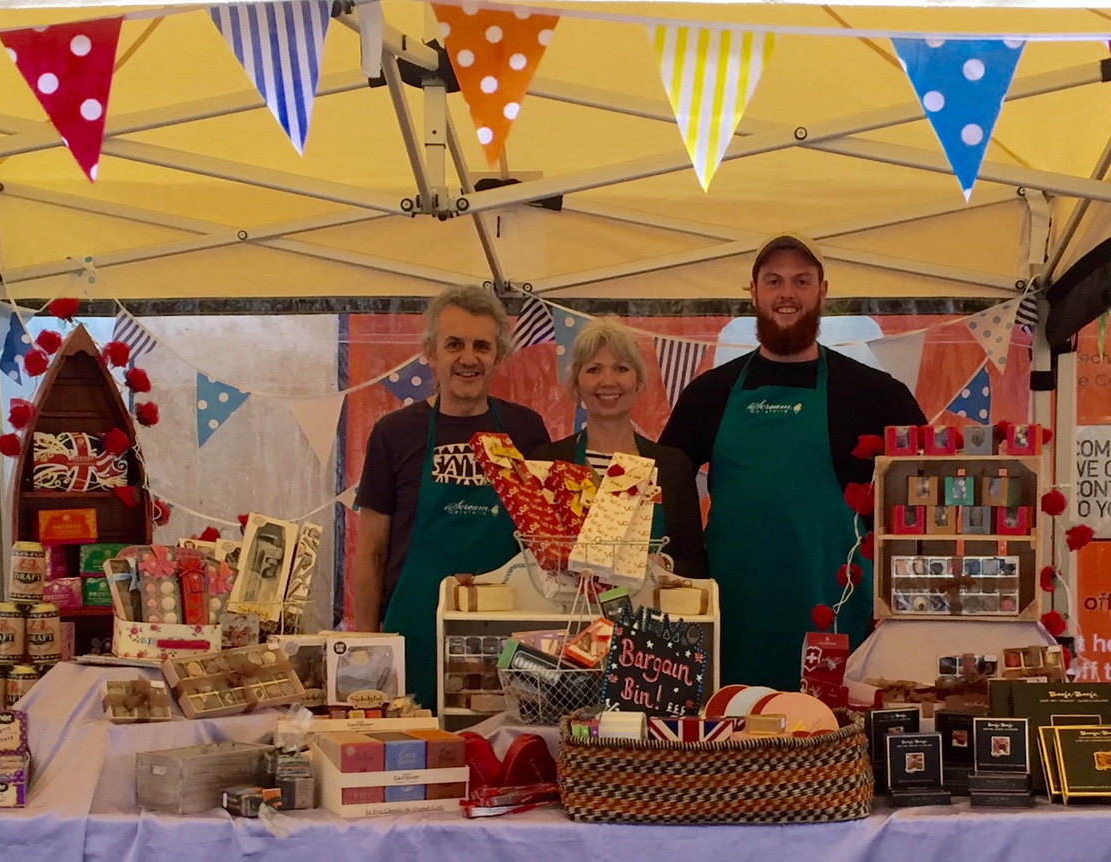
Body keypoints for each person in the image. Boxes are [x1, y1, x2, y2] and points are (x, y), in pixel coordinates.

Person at [659, 232, 926, 691]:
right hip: (733, 615)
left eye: (801, 281)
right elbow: (666, 495)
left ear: (823, 292)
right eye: (774, 281)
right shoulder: (708, 394)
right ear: (753, 292)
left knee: (830, 728)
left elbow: (925, 497)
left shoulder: (876, 394)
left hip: (837, 617)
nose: (787, 293)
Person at [353, 286, 550, 711]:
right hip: (414, 632)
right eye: (454, 344)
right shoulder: (394, 433)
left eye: (482, 346)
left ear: (499, 356)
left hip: (505, 635)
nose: (468, 358)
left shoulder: (526, 430)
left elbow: (545, 543)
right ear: (431, 352)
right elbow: (370, 552)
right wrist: (367, 645)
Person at [529, 317, 707, 579]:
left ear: (639, 382)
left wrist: (664, 564)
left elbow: (695, 565)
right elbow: (528, 560)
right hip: (565, 605)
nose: (608, 381)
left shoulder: (672, 467)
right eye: (594, 369)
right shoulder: (548, 462)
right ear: (576, 384)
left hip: (650, 605)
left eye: (621, 368)